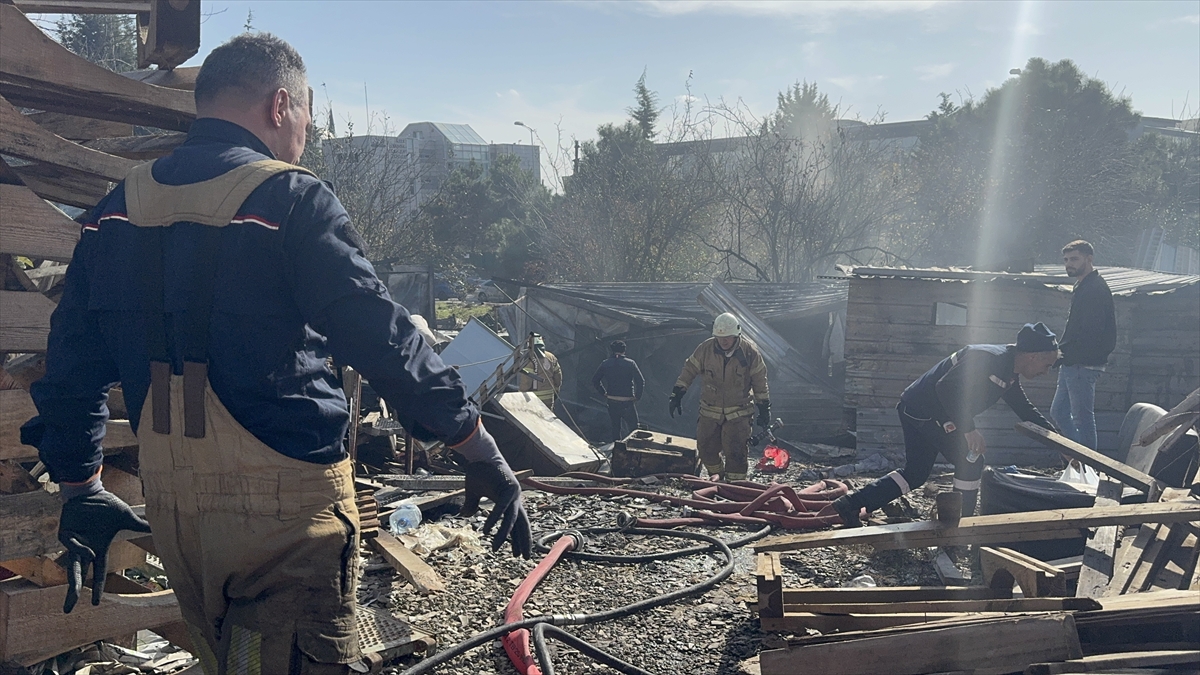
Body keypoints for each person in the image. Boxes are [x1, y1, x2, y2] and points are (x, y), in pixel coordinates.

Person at [23, 33, 530, 673]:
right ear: (282, 104)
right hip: (288, 519)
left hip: (180, 513)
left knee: (233, 660)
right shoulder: (291, 200)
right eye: (309, 115)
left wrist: (80, 484)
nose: (307, 133)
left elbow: (69, 364)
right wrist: (476, 445)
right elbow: (381, 337)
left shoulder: (115, 210)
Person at [828, 323, 1061, 527]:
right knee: (971, 460)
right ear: (1033, 356)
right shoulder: (988, 358)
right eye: (1047, 365)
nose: (1046, 372)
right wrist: (968, 428)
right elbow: (946, 387)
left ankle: (850, 503)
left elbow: (1025, 410)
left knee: (916, 473)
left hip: (922, 409)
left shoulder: (1009, 371)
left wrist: (1062, 445)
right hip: (924, 410)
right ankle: (961, 523)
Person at [670, 313, 770, 482]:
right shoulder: (705, 349)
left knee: (736, 452)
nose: (724, 341)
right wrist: (678, 393)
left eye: (728, 337)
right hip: (710, 411)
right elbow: (689, 369)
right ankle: (718, 476)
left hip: (739, 413)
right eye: (720, 337)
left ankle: (735, 488)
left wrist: (764, 407)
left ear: (736, 335)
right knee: (705, 449)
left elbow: (760, 380)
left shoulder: (750, 352)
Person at [1051, 240, 1116, 450]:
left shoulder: (1095, 289)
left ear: (1089, 259)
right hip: (1071, 361)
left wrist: (1068, 354)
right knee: (1059, 412)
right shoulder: (1082, 285)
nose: (1069, 264)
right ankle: (1077, 457)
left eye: (1075, 259)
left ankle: (1088, 467)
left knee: (1082, 419)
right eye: (1066, 260)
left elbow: (1091, 332)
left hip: (1082, 363)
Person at [591, 340, 645, 441]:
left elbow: (595, 380)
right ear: (624, 350)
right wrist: (637, 396)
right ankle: (633, 450)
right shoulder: (630, 363)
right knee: (634, 429)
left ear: (612, 350)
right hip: (627, 401)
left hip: (612, 400)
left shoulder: (605, 364)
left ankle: (617, 450)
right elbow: (640, 381)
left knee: (616, 428)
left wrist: (604, 393)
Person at [518, 333, 562, 409]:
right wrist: (556, 389)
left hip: (534, 399)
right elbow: (558, 375)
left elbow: (526, 382)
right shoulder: (551, 357)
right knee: (547, 418)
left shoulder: (530, 360)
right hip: (549, 397)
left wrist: (520, 395)